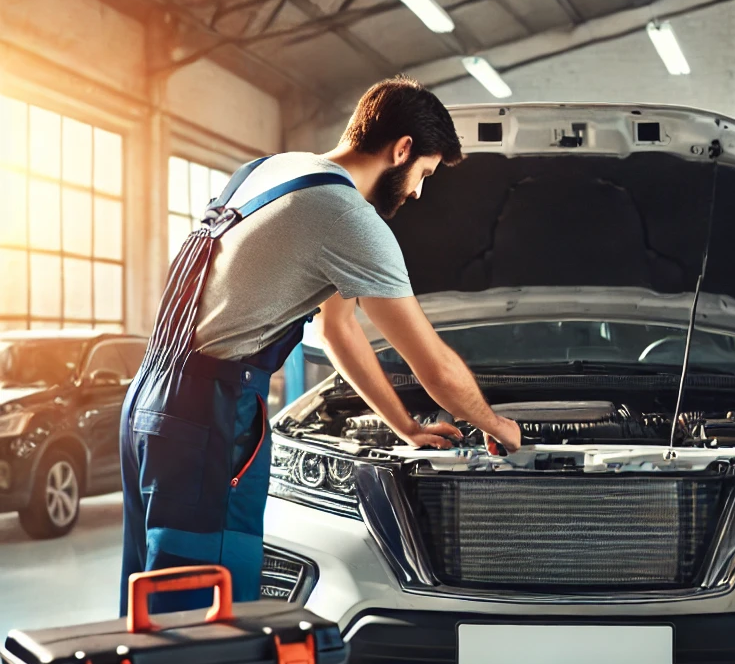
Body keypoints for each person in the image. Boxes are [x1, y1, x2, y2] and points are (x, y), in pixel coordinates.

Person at [119, 76, 521, 615]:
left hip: (149, 400)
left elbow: (338, 330)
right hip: (207, 417)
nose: (419, 191)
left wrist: (408, 428)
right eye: (424, 172)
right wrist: (496, 425)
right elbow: (432, 363)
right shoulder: (348, 217)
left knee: (150, 593)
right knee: (201, 610)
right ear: (401, 149)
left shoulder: (272, 169)